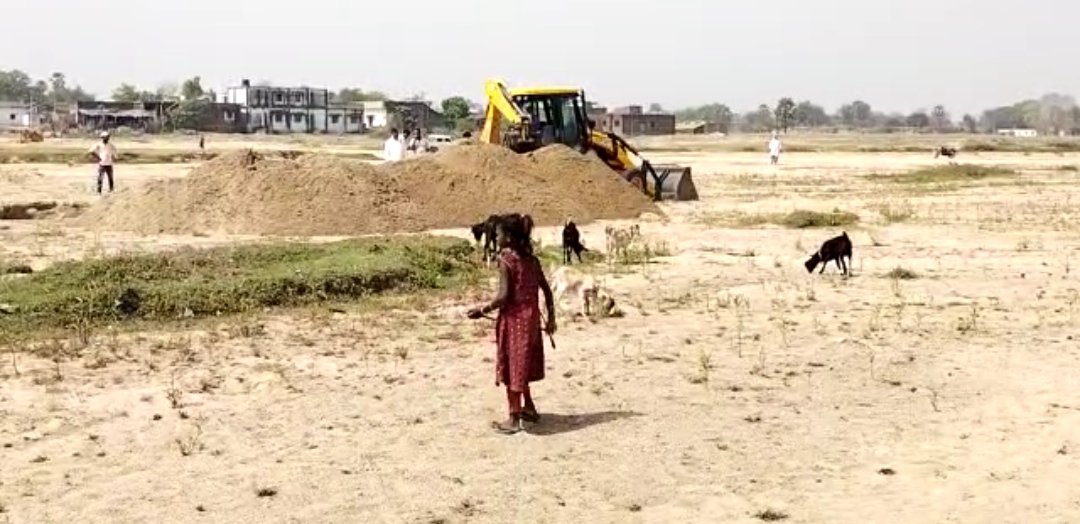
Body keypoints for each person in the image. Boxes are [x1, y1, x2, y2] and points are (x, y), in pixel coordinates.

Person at [467, 214, 557, 434]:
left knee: (512, 367)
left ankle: (514, 417)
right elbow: (546, 290)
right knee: (523, 365)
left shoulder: (506, 260)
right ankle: (529, 408)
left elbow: (504, 296)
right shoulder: (532, 260)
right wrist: (551, 317)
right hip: (532, 320)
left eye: (497, 234)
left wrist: (482, 310)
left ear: (508, 237)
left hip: (514, 321)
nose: (495, 238)